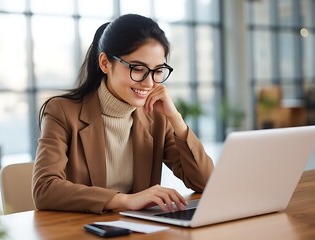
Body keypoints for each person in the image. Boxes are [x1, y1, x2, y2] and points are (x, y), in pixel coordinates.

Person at [32, 14, 214, 214]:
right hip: (83, 229)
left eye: (158, 70)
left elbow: (206, 183)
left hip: (140, 230)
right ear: (105, 63)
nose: (149, 83)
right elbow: (45, 188)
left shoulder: (157, 117)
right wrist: (124, 200)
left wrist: (176, 118)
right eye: (138, 69)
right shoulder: (62, 112)